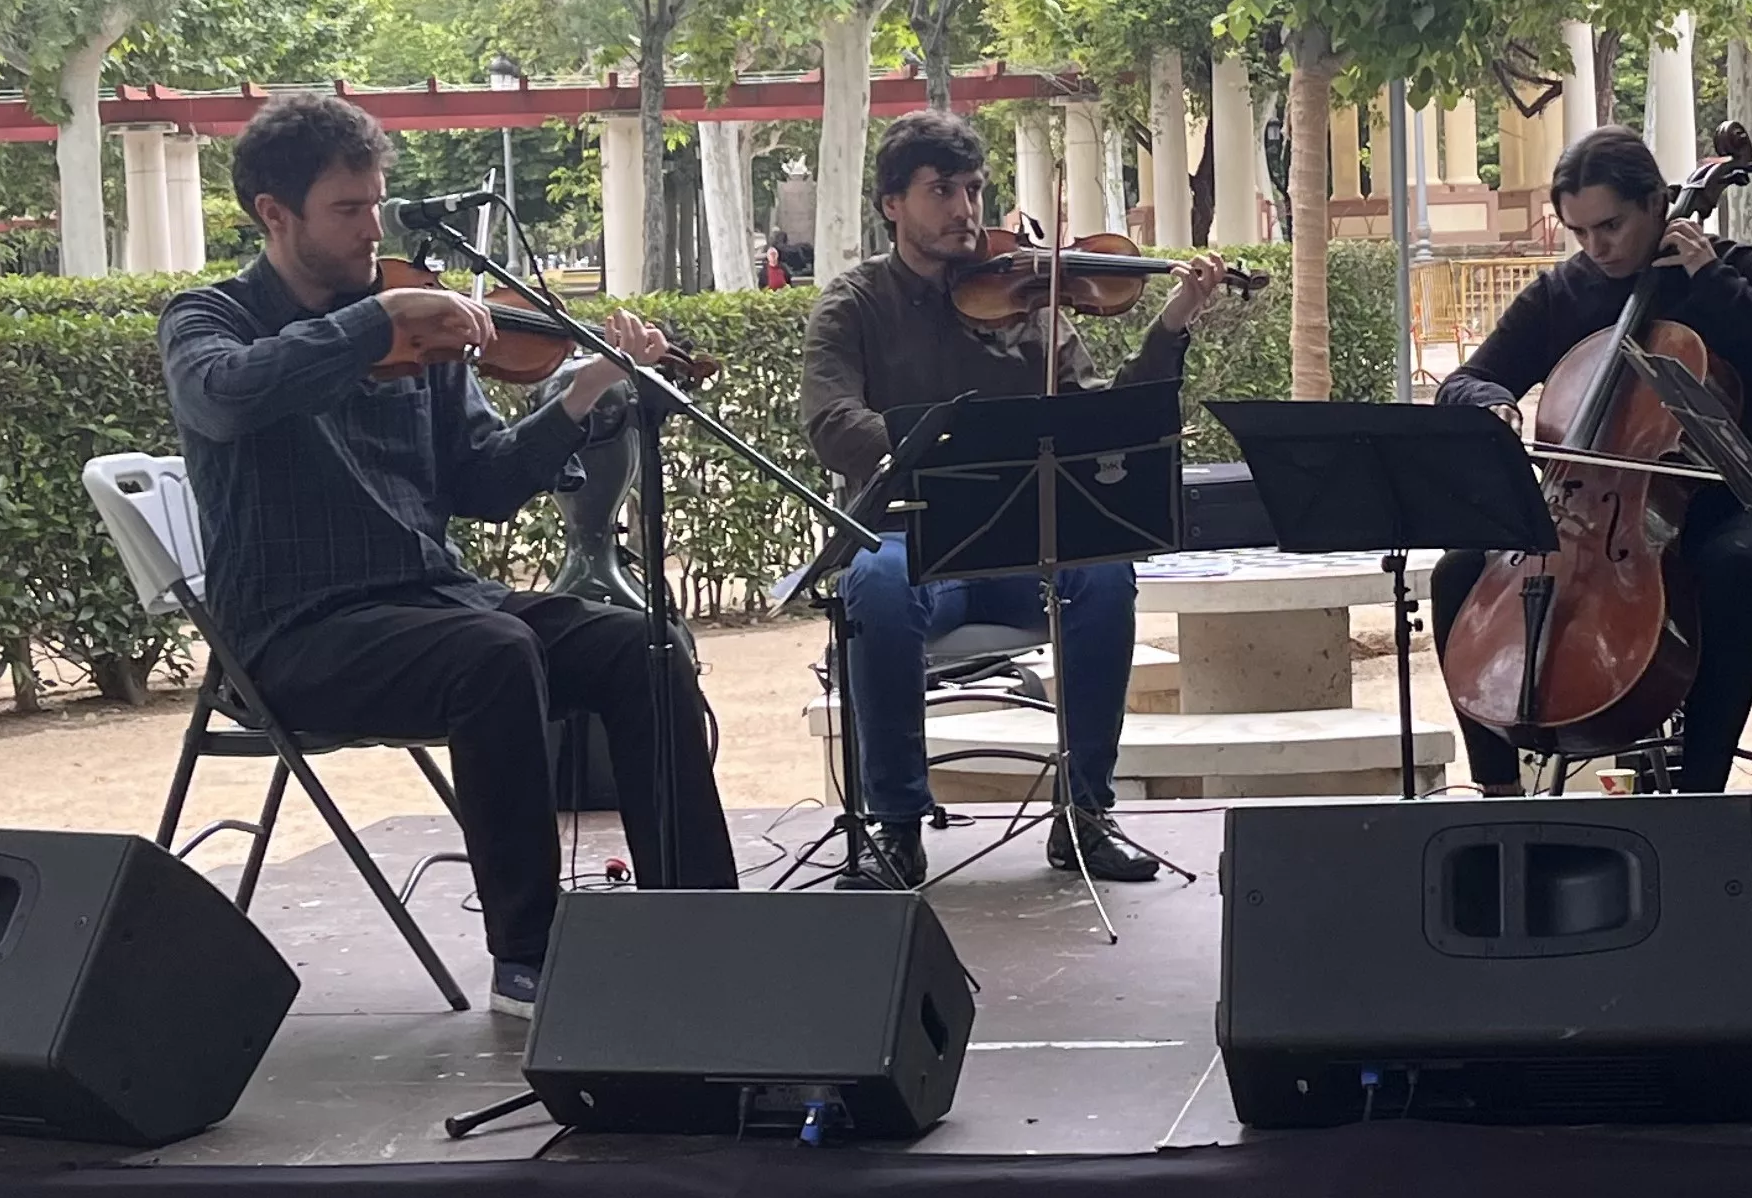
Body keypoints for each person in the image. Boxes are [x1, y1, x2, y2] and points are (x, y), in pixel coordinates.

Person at [158, 92, 732, 1019]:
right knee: (493, 655)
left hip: (434, 600)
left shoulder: (418, 327)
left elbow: (484, 485)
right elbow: (224, 398)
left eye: (377, 203)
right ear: (275, 213)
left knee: (642, 645)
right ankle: (530, 958)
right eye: (349, 209)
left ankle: (702, 923)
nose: (371, 226)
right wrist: (376, 319)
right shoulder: (208, 318)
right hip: (295, 633)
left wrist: (580, 394)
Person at [800, 111, 1226, 889]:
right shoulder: (854, 303)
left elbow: (1102, 415)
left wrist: (1171, 323)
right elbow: (831, 420)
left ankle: (1085, 813)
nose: (966, 209)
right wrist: (925, 452)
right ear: (893, 202)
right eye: (942, 192)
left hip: (1023, 541)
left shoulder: (1032, 299)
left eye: (972, 189)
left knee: (1104, 576)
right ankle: (896, 826)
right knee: (876, 587)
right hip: (911, 534)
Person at [1429, 125, 1752, 795]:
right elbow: (1467, 379)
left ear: (1657, 202)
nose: (1598, 247)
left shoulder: (1731, 269)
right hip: (1597, 518)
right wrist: (1492, 403)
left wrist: (1714, 283)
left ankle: (1700, 800)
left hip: (1735, 508)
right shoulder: (1564, 292)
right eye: (1581, 232)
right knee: (1458, 574)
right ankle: (1498, 796)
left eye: (1612, 225)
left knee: (1729, 569)